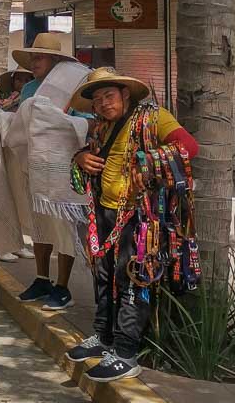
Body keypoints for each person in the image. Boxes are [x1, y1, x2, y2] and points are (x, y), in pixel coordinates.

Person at [69, 67, 199, 382]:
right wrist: (80, 158)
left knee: (132, 280)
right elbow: (92, 160)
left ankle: (126, 353)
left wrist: (147, 163)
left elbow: (188, 147)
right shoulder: (100, 127)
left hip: (140, 217)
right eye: (97, 99)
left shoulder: (154, 118)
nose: (103, 103)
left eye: (108, 96)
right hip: (104, 213)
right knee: (103, 276)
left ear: (125, 94)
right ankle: (103, 337)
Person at [7, 33, 85, 307]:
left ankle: (62, 287)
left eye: (38, 57)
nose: (33, 62)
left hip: (62, 167)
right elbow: (21, 122)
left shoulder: (74, 87)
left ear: (55, 61)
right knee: (39, 224)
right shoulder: (29, 90)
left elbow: (83, 123)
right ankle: (42, 278)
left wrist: (54, 122)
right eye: (32, 57)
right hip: (34, 165)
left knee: (63, 226)